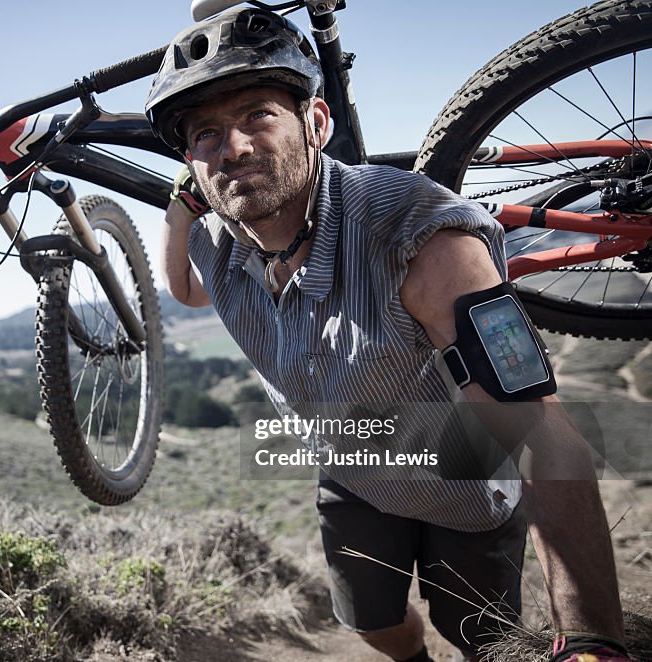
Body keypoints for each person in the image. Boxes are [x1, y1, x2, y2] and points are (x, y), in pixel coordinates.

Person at [145, 7, 632, 662]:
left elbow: (539, 431)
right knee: (374, 629)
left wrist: (593, 637)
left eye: (258, 116)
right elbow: (182, 286)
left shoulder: (421, 239)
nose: (231, 148)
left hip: (467, 495)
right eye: (205, 135)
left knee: (482, 643)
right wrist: (181, 202)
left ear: (317, 124)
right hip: (354, 478)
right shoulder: (218, 248)